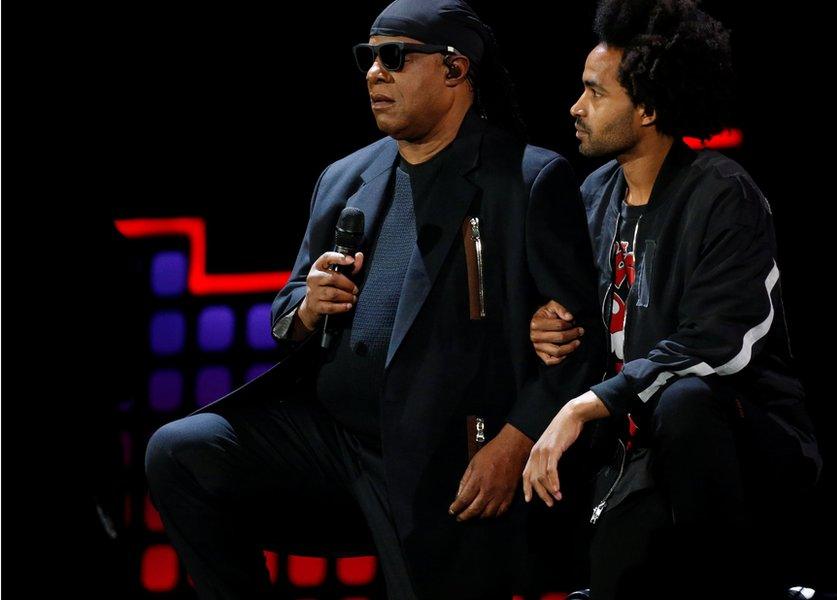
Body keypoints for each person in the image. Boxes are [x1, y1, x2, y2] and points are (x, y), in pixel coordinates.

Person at [144, 1, 603, 598]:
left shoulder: (528, 180)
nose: (373, 73)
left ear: (454, 69)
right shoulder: (344, 176)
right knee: (179, 452)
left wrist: (513, 443)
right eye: (368, 57)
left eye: (394, 57)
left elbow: (578, 343)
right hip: (335, 445)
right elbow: (286, 312)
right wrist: (308, 307)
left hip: (447, 459)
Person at [522, 1, 822, 598]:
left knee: (685, 400)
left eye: (594, 93)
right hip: (636, 448)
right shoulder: (591, 198)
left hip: (740, 449)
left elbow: (715, 343)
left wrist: (583, 408)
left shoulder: (724, 194)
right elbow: (579, 319)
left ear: (649, 108)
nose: (575, 108)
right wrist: (546, 327)